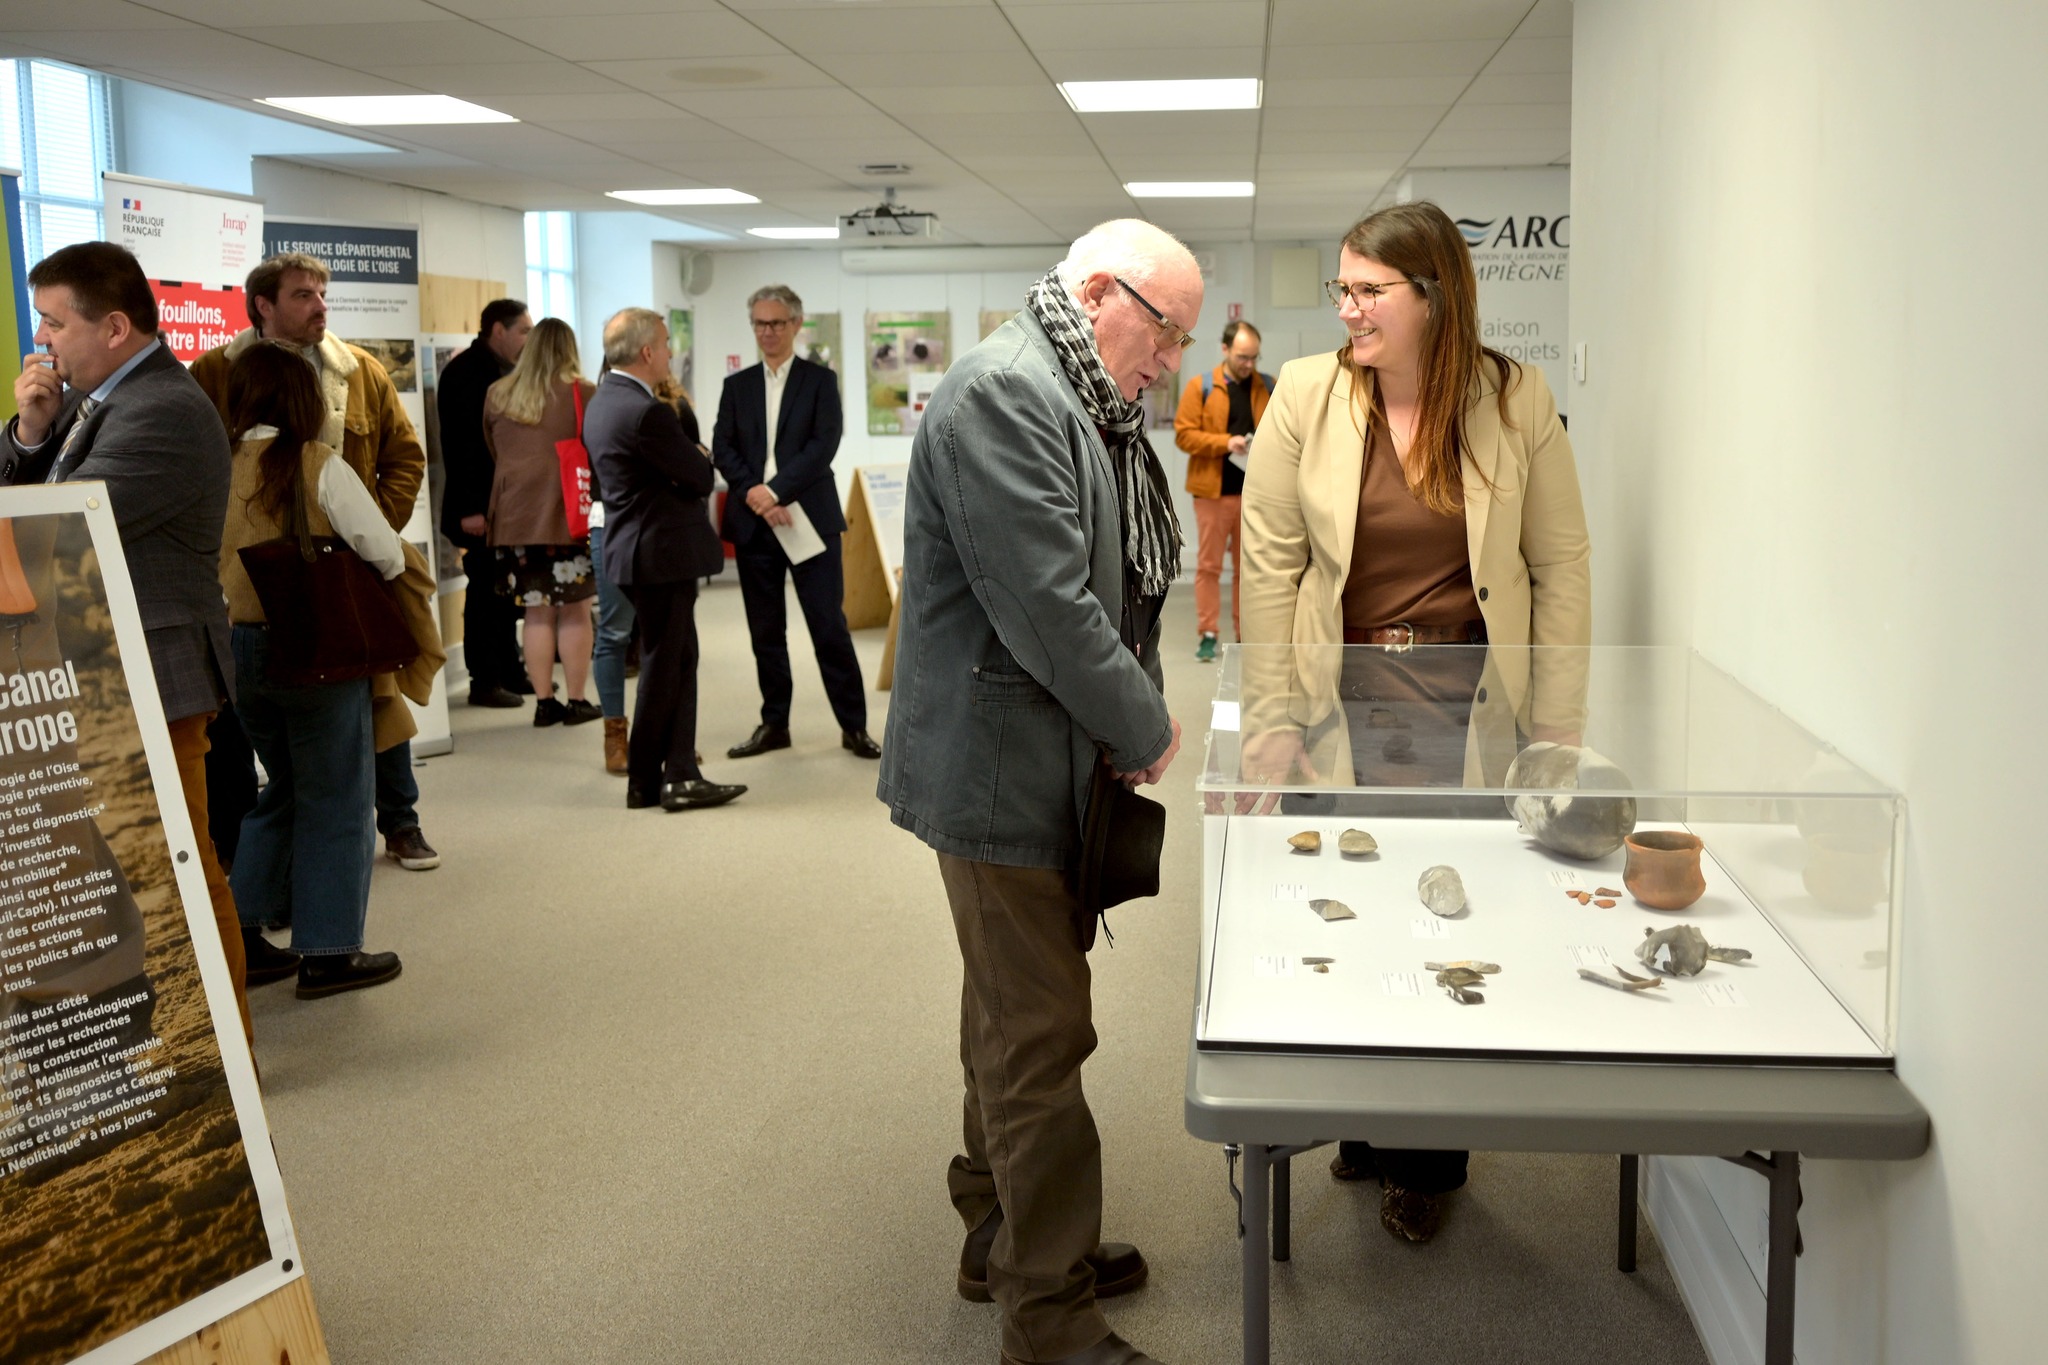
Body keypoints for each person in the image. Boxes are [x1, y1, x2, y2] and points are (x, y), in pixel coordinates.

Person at [877, 220, 1201, 1365]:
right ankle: (1047, 1317)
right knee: (1040, 1033)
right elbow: (1048, 607)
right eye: (1165, 333)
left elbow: (1111, 585)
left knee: (1007, 1016)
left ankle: (997, 1230)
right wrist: (1144, 724)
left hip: (1040, 764)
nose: (1171, 362)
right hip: (997, 773)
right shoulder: (1005, 394)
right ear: (1100, 292)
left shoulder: (1077, 397)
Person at [1237, 200, 1592, 1242]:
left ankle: (1426, 1158)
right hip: (1341, 704)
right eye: (1341, 289)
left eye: (1368, 290)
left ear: (1432, 296)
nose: (1347, 309)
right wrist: (1270, 717)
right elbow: (1270, 566)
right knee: (1348, 909)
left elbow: (1560, 567)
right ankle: (1362, 1117)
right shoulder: (1306, 394)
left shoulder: (1514, 397)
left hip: (1468, 706)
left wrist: (1556, 728)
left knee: (1447, 918)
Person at [2, 241, 250, 1040]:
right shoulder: (95, 401)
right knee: (139, 869)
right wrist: (31, 432)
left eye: (54, 322)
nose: (41, 341)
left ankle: (230, 1052)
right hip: (105, 670)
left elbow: (52, 530)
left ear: (113, 327)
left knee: (184, 869)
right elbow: (33, 502)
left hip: (156, 670)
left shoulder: (161, 408)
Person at [191, 253, 441, 873]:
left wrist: (364, 532)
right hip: (251, 588)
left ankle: (401, 820)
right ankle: (282, 861)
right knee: (288, 738)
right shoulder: (215, 373)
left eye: (323, 293)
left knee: (377, 691)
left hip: (343, 572)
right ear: (263, 305)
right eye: (304, 294)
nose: (321, 306)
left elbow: (404, 458)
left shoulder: (361, 371)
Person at [217, 343, 408, 999]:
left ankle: (241, 935)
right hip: (316, 649)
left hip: (239, 649)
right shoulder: (315, 463)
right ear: (303, 400)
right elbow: (384, 552)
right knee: (339, 796)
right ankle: (329, 953)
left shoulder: (214, 467)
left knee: (285, 789)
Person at [711, 284, 879, 762]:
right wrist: (757, 495)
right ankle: (774, 724)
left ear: (796, 325)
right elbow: (723, 447)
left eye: (776, 323)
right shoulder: (737, 386)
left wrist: (775, 491)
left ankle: (854, 727)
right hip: (754, 523)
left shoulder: (819, 381)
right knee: (766, 632)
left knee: (828, 626)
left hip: (809, 520)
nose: (767, 332)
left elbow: (823, 445)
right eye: (760, 324)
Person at [584, 309, 743, 813]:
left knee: (677, 657)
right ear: (647, 351)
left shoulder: (603, 400)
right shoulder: (646, 412)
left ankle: (678, 773)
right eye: (667, 343)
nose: (671, 352)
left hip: (637, 549)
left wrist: (687, 461)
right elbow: (699, 475)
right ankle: (648, 781)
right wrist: (696, 456)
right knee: (664, 664)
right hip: (659, 553)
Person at [481, 317, 600, 728]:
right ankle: (578, 701)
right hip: (567, 515)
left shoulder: (498, 394)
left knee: (536, 612)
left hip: (515, 517)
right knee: (575, 611)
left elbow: (494, 450)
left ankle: (545, 703)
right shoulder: (582, 392)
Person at [438, 298, 533, 709]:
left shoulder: (503, 370)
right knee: (484, 595)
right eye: (524, 330)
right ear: (498, 330)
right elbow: (463, 449)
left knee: (505, 591)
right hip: (478, 507)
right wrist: (472, 509)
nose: (529, 338)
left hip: (504, 505)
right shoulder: (465, 373)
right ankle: (484, 680)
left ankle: (510, 669)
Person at [1173, 318, 1271, 661]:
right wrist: (1225, 443)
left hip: (1255, 495)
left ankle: (1246, 633)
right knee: (1209, 566)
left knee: (1249, 569)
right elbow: (1184, 435)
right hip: (1212, 493)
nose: (1249, 364)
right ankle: (1209, 633)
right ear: (1225, 349)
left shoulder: (1267, 386)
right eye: (1243, 357)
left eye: (1254, 357)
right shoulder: (1200, 387)